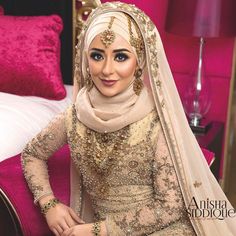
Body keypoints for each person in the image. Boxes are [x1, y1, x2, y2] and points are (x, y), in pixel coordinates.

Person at [21, 2, 236, 236]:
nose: (106, 70)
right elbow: (32, 154)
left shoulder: (156, 122)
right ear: (85, 59)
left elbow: (170, 206)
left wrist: (98, 230)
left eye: (121, 56)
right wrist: (49, 203)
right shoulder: (75, 115)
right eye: (97, 55)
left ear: (140, 61)